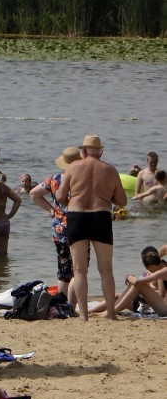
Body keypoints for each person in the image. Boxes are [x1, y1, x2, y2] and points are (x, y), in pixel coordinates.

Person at [57, 135, 128, 320]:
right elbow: (122, 201)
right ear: (101, 151)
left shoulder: (73, 167)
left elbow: (60, 195)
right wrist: (106, 196)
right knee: (106, 270)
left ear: (83, 151)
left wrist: (71, 201)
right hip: (101, 216)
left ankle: (84, 316)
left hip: (77, 216)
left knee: (79, 270)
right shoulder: (110, 170)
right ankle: (111, 313)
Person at [30, 147, 82, 301]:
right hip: (78, 226)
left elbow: (34, 194)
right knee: (79, 269)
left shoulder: (54, 179)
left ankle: (61, 302)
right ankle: (72, 305)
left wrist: (51, 210)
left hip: (59, 228)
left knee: (63, 269)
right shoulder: (82, 179)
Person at [88, 250, 167, 317]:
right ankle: (110, 311)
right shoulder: (162, 269)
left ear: (151, 266)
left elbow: (137, 282)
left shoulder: (163, 271)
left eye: (149, 269)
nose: (149, 272)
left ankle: (111, 312)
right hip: (162, 306)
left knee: (139, 284)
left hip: (164, 309)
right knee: (135, 286)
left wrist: (129, 276)